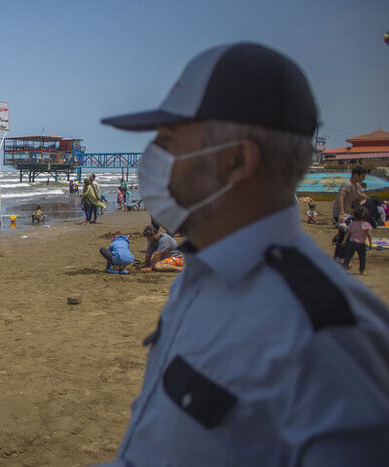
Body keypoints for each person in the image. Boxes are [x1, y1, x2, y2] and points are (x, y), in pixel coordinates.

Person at [100, 42, 389, 465]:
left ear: (235, 161)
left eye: (168, 141)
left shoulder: (328, 343)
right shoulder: (200, 274)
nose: (150, 159)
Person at [342, 205, 373, 274]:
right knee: (362, 258)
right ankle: (361, 270)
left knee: (348, 256)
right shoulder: (366, 225)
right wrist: (371, 243)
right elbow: (369, 235)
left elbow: (348, 233)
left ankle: (345, 268)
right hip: (361, 243)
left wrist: (344, 241)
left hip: (352, 242)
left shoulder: (352, 224)